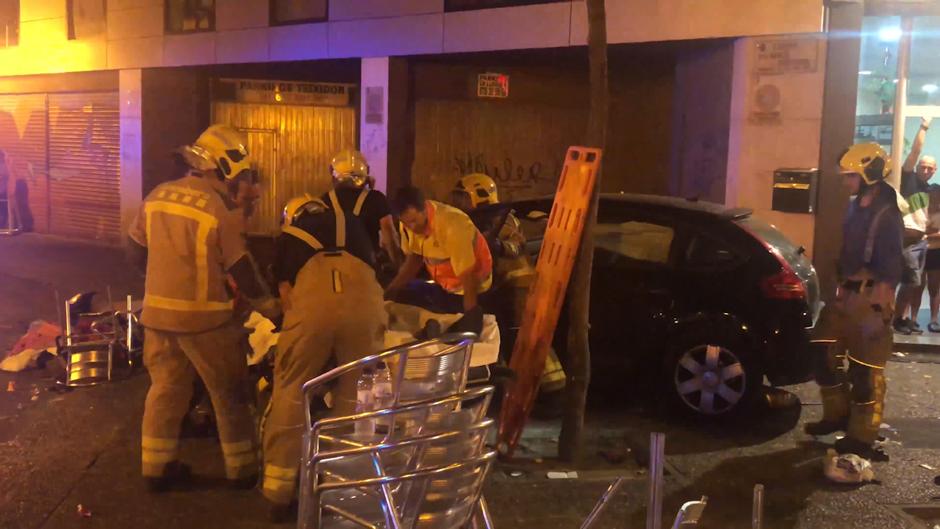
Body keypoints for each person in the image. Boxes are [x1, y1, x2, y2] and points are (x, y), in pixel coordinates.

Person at [127, 124, 282, 492]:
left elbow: (135, 252)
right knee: (228, 393)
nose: (244, 182)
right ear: (224, 169)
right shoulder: (218, 209)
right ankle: (242, 470)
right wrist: (272, 309)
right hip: (206, 322)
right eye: (242, 174)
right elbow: (242, 269)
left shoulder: (157, 196)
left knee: (165, 390)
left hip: (158, 318)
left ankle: (156, 468)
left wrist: (162, 282)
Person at [262, 194, 386, 520]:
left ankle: (279, 491)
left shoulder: (291, 237)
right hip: (365, 307)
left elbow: (287, 297)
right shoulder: (355, 225)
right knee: (352, 393)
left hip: (314, 309)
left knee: (292, 388)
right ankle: (338, 484)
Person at [805, 143, 903, 461]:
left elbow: (891, 267)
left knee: (866, 371)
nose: (845, 182)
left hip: (871, 298)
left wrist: (879, 306)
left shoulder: (888, 214)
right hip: (847, 293)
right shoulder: (857, 205)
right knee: (821, 350)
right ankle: (837, 414)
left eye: (850, 175)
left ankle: (862, 436)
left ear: (868, 174)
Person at [451, 173, 565, 393]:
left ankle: (552, 390)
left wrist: (499, 246)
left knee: (526, 337)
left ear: (480, 196)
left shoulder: (503, 217)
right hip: (499, 288)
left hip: (518, 285)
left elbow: (517, 246)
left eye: (464, 197)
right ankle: (512, 389)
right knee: (504, 339)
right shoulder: (473, 219)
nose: (460, 203)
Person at [385, 185, 493, 334]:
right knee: (404, 299)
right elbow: (415, 258)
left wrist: (471, 315)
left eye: (413, 221)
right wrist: (391, 290)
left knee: (452, 334)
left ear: (424, 209)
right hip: (446, 288)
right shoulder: (408, 225)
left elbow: (469, 276)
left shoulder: (452, 225)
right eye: (405, 223)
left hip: (471, 292)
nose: (411, 227)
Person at [325, 150, 403, 272]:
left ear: (332, 172)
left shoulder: (324, 201)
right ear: (365, 172)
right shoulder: (375, 199)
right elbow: (389, 234)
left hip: (332, 270)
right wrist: (398, 266)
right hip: (366, 268)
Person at [893, 117, 934, 335]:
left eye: (930, 168)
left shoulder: (930, 191)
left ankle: (899, 318)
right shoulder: (908, 179)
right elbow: (915, 152)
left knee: (912, 284)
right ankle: (895, 319)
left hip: (919, 242)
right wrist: (924, 127)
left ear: (935, 171)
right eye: (924, 167)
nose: (926, 170)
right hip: (906, 239)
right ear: (917, 167)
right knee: (909, 281)